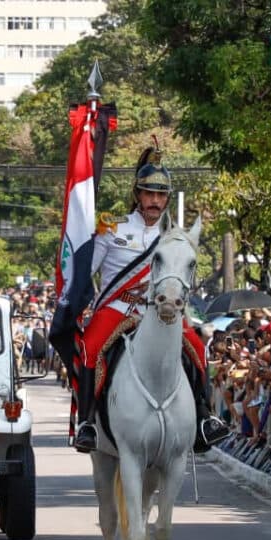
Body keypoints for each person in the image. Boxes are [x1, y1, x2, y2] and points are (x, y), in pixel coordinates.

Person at [70, 146, 229, 454]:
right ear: (138, 195)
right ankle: (87, 422)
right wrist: (80, 300)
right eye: (149, 194)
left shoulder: (174, 236)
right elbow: (86, 271)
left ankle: (204, 419)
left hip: (160, 309)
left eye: (161, 195)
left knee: (197, 349)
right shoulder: (113, 228)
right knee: (90, 349)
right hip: (118, 307)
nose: (155, 201)